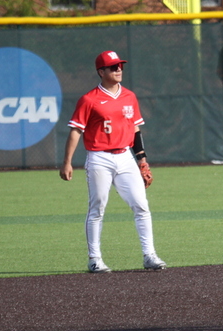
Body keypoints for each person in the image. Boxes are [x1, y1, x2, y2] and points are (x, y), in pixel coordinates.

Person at [59, 50, 166, 274]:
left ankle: (149, 255)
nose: (119, 69)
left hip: (125, 156)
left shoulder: (129, 96)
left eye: (120, 66)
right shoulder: (89, 99)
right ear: (101, 71)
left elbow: (135, 130)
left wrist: (142, 160)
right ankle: (94, 259)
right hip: (99, 157)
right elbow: (75, 132)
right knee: (97, 208)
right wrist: (67, 162)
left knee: (141, 206)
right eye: (113, 66)